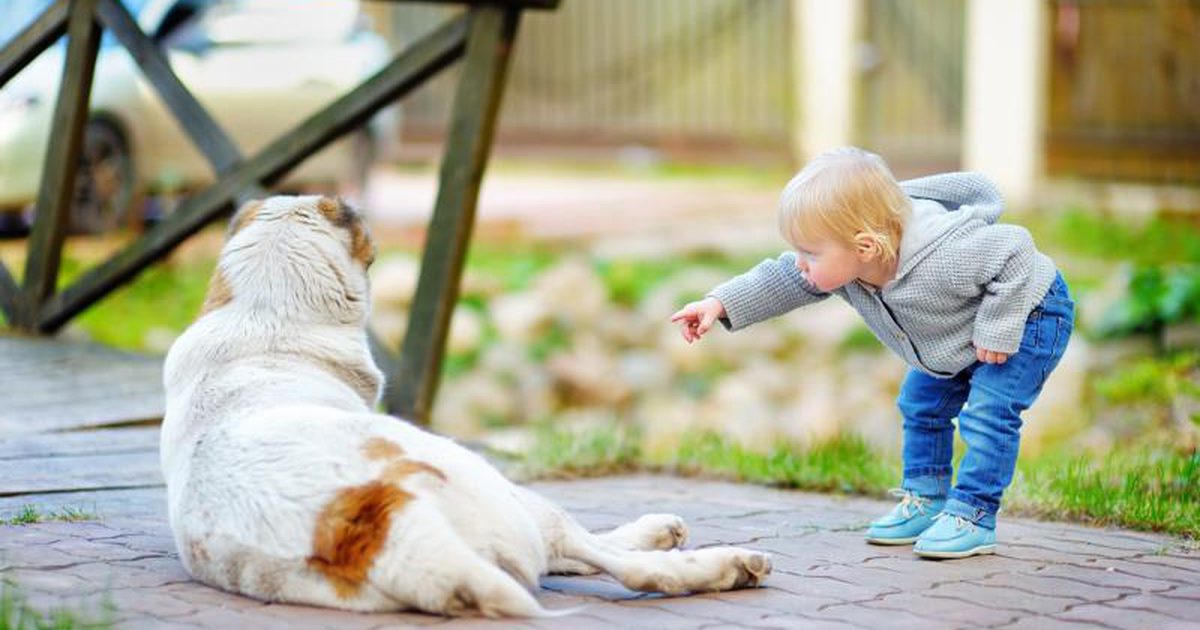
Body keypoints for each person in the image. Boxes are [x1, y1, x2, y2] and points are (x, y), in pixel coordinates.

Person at [670, 146, 1074, 559]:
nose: (800, 264)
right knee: (921, 403)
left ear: (864, 246)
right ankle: (926, 499)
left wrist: (997, 328)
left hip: (1030, 313)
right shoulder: (848, 264)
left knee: (988, 412)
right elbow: (781, 278)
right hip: (959, 332)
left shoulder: (945, 254)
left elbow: (1015, 251)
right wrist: (718, 304)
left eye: (810, 253)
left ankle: (973, 514)